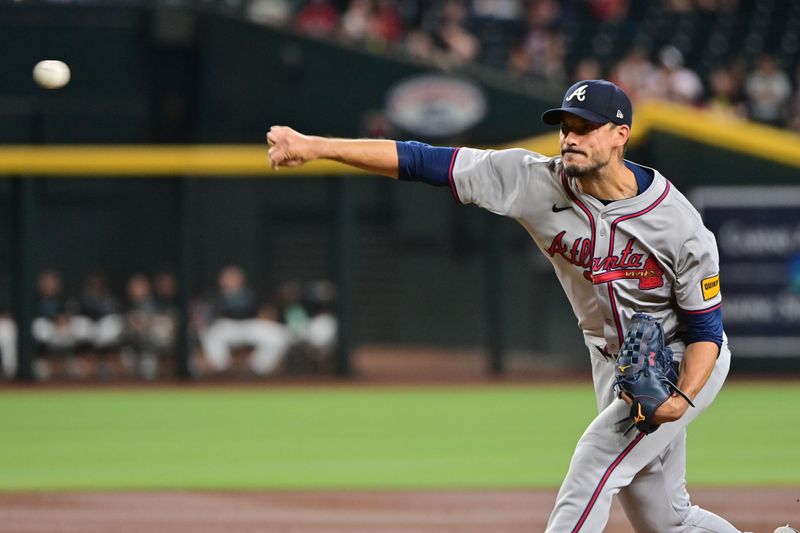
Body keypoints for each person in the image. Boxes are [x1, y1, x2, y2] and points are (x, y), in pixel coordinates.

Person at [265, 79, 792, 532]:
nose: (570, 137)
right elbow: (424, 160)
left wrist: (679, 399)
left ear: (620, 135)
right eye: (565, 125)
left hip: (680, 360)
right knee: (665, 521)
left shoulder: (679, 226)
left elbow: (707, 331)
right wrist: (317, 146)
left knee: (594, 462)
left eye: (584, 127)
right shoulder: (534, 180)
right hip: (614, 362)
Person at [200, 265, 291, 376]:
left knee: (279, 334)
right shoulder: (213, 296)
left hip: (250, 324)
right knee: (210, 334)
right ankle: (222, 369)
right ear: (221, 280)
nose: (231, 281)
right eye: (228, 277)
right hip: (227, 326)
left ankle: (257, 368)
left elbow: (265, 311)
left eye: (234, 277)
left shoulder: (251, 293)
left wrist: (265, 316)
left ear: (242, 279)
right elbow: (207, 316)